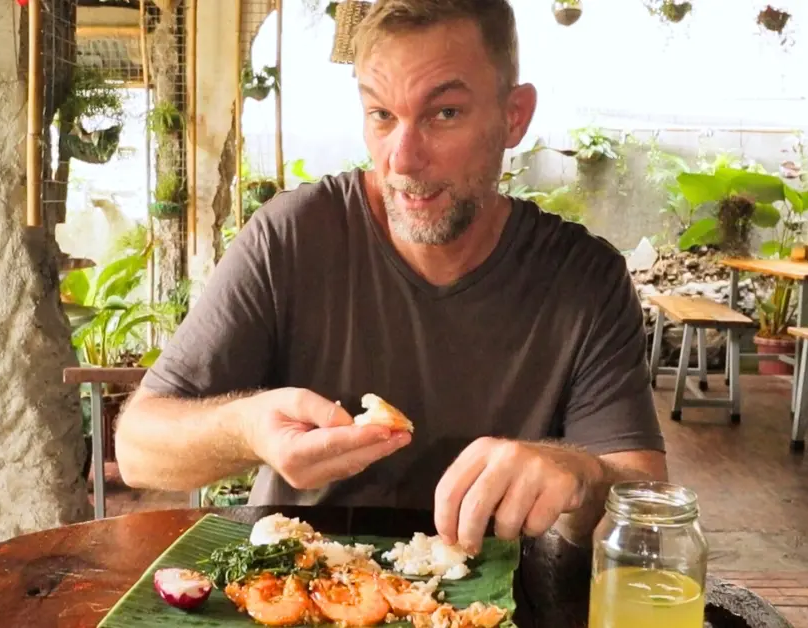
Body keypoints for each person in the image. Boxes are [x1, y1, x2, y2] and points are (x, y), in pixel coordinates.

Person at [115, 0, 667, 555]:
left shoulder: (584, 278)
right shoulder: (292, 238)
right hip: (305, 592)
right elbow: (139, 449)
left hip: (499, 606)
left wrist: (576, 472)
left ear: (514, 116)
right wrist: (249, 428)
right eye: (382, 115)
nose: (402, 160)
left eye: (444, 113)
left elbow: (646, 498)